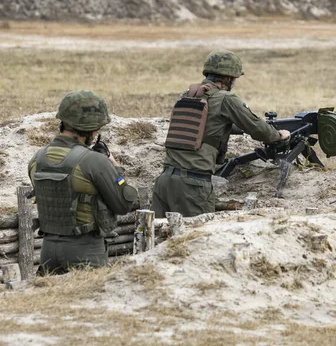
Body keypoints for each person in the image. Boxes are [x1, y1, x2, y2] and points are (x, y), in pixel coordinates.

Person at [152, 50, 290, 217]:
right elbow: (258, 129)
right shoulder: (225, 99)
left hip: (164, 181)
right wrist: (277, 135)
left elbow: (207, 126)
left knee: (161, 238)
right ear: (228, 78)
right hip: (193, 184)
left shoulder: (188, 96)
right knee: (196, 238)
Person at [28, 90, 137, 274]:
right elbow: (123, 203)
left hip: (47, 250)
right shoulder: (94, 161)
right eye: (96, 129)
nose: (96, 133)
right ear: (89, 130)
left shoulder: (37, 159)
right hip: (85, 250)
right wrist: (115, 168)